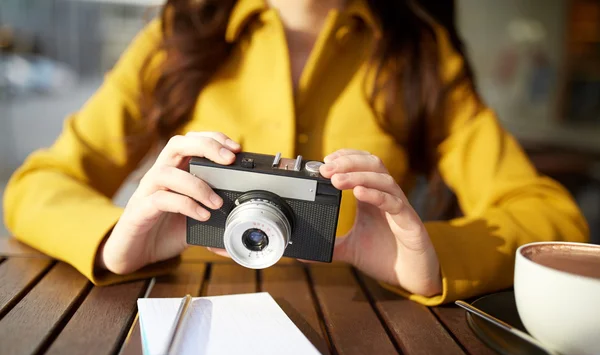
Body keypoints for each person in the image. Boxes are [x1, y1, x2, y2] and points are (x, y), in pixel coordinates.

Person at [2, 0, 588, 306]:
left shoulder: (417, 53)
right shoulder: (177, 35)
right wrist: (118, 241)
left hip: (376, 332)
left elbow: (551, 217)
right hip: (182, 312)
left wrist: (430, 255)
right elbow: (37, 183)